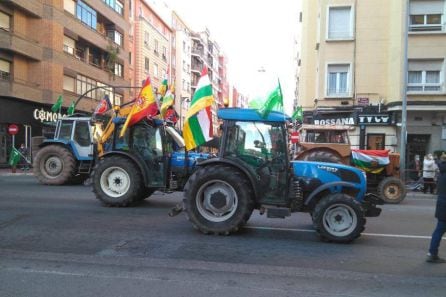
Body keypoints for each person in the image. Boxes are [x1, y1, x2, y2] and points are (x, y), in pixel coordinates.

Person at [426, 153, 446, 263]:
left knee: (438, 231)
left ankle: (432, 253)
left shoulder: (442, 171)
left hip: (442, 204)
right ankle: (432, 253)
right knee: (439, 230)